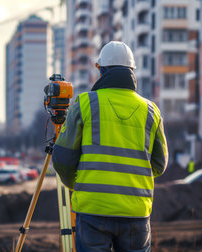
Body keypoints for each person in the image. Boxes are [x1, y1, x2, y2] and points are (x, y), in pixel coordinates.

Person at [52, 41, 168, 251]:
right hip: (136, 213)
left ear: (102, 70)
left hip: (93, 209)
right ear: (131, 71)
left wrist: (76, 185)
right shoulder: (151, 111)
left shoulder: (86, 103)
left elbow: (62, 158)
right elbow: (159, 164)